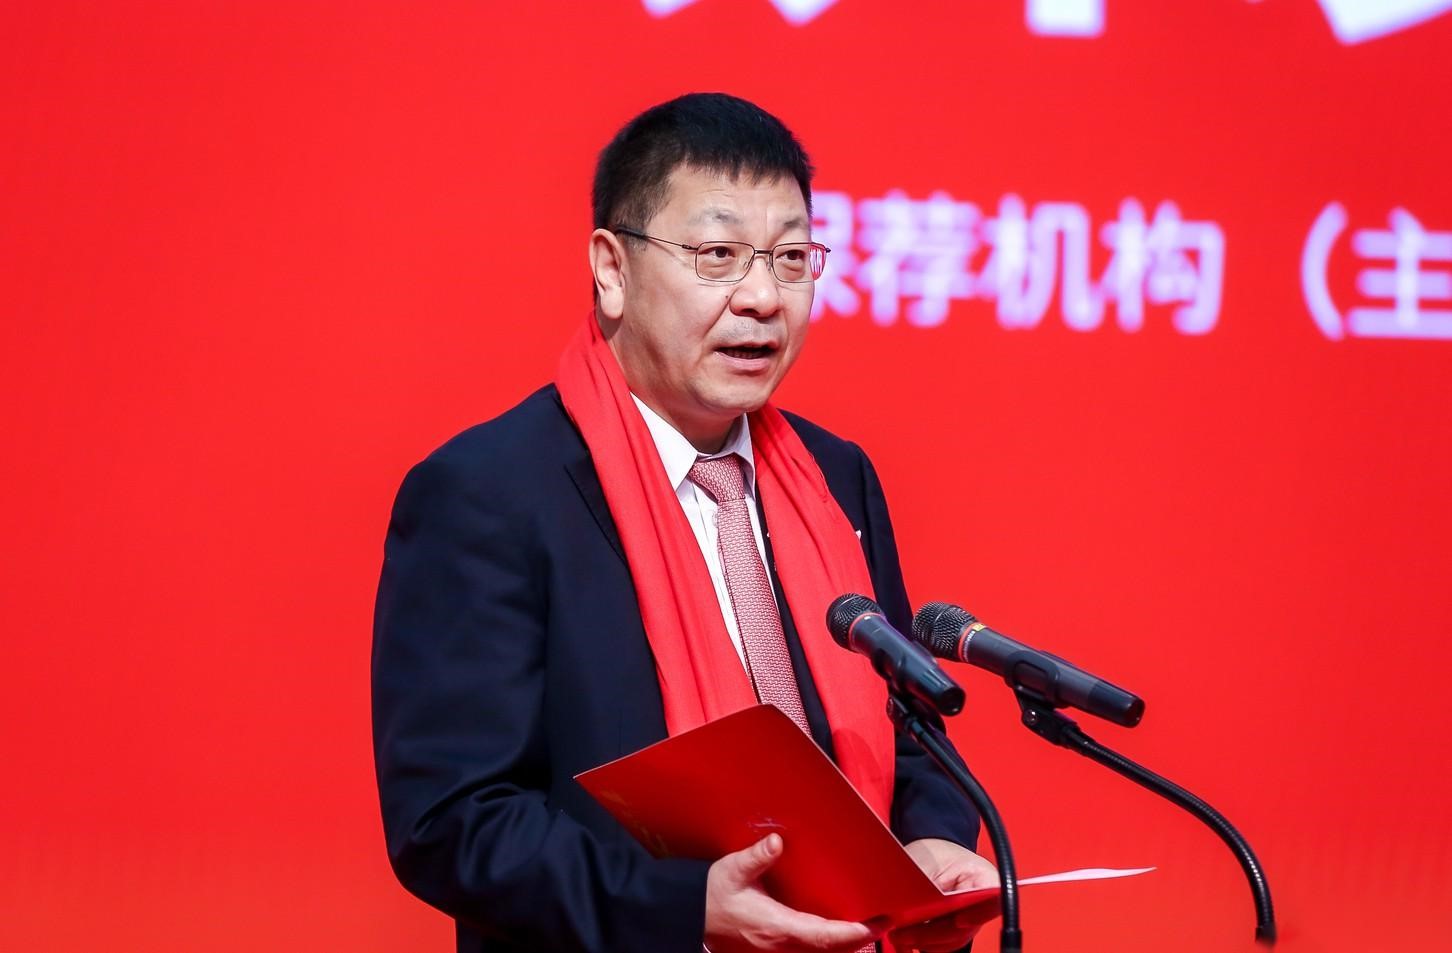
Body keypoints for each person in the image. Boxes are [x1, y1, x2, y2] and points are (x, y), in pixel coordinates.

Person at [372, 92, 997, 953]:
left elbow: (909, 732)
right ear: (612, 269)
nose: (763, 297)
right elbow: (451, 822)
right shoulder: (488, 493)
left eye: (790, 258)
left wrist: (929, 841)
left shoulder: (837, 478)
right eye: (718, 255)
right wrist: (681, 905)